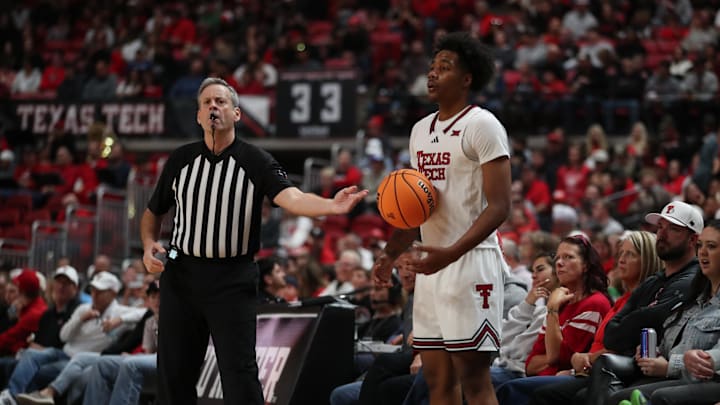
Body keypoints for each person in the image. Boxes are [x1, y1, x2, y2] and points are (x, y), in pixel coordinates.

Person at [140, 77, 367, 405]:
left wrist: (331, 205)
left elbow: (292, 198)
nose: (213, 107)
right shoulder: (180, 161)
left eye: (220, 102)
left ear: (236, 114)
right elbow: (152, 213)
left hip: (232, 279)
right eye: (206, 103)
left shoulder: (256, 160)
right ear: (199, 117)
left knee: (239, 373)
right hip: (182, 276)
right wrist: (149, 244)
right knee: (173, 372)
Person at [371, 31, 511, 405]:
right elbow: (417, 208)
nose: (433, 74)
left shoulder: (483, 125)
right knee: (437, 382)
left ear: (467, 79)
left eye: (444, 68)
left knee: (474, 380)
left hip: (470, 262)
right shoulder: (420, 131)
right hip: (431, 268)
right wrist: (388, 254)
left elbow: (500, 207)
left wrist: (449, 253)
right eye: (432, 67)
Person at [494, 235, 612, 405]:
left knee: (507, 388)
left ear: (585, 265)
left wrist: (552, 309)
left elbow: (558, 358)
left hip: (571, 380)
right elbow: (532, 362)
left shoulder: (594, 303)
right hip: (542, 376)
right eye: (558, 258)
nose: (559, 263)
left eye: (568, 257)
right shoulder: (562, 302)